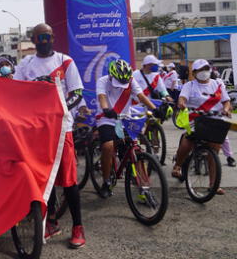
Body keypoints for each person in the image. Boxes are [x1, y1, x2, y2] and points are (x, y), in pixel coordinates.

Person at [13, 23, 87, 249]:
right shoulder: (25, 64)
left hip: (62, 127)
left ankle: (78, 226)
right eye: (40, 37)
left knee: (69, 180)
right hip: (36, 129)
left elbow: (76, 92)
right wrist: (34, 85)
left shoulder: (66, 61)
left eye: (48, 36)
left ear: (53, 37)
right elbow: (14, 92)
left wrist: (61, 107)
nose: (44, 40)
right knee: (44, 177)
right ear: (33, 40)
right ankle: (50, 220)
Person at [96, 59, 157, 198]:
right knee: (108, 146)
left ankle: (144, 187)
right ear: (111, 75)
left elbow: (141, 96)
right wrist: (106, 109)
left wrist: (155, 109)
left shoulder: (130, 80)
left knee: (135, 149)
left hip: (124, 118)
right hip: (107, 118)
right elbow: (102, 97)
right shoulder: (103, 81)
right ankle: (106, 182)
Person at [172, 59, 231, 195]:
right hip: (195, 121)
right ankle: (178, 166)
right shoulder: (190, 85)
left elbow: (226, 101)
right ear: (194, 73)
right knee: (187, 144)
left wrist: (226, 109)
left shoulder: (218, 84)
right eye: (200, 70)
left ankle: (213, 185)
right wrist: (182, 104)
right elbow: (182, 99)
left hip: (214, 121)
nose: (204, 72)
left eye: (206, 69)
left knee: (214, 150)